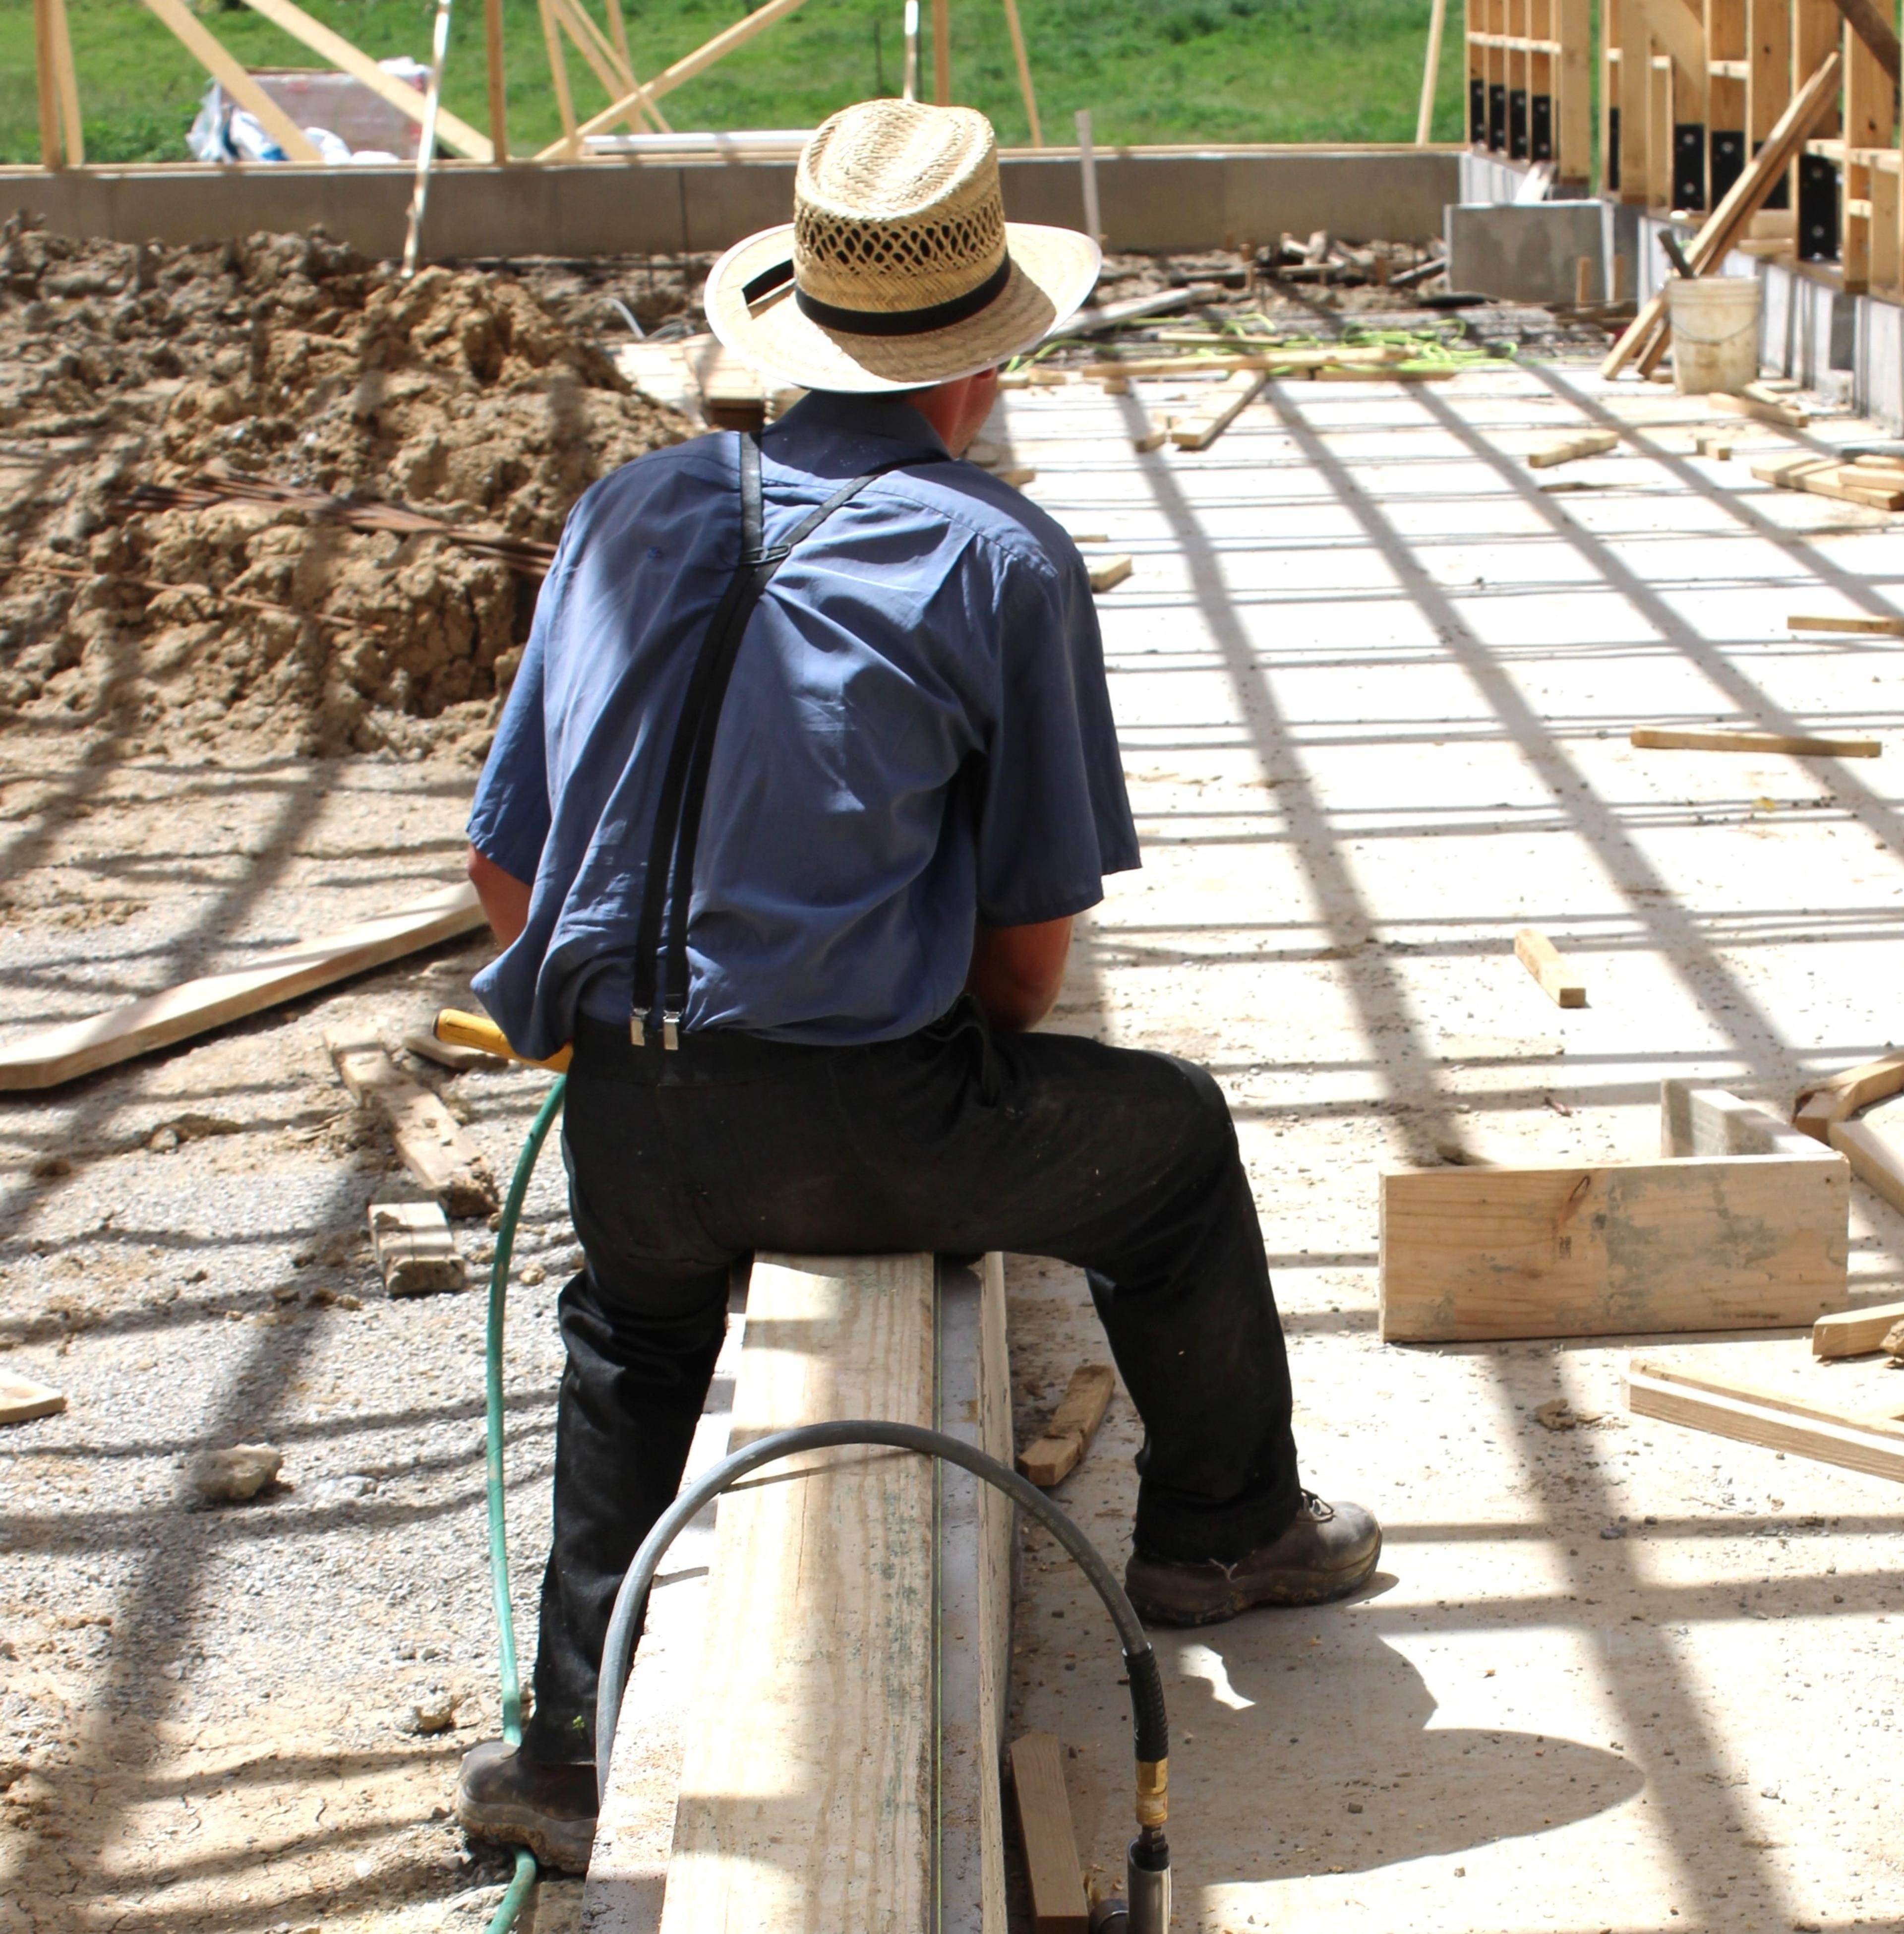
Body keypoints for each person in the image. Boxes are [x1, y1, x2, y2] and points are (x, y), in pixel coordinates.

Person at [453, 97, 1380, 1872]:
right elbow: (1029, 969)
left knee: (628, 1332)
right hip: (869, 1107)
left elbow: (505, 870)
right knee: (1170, 1143)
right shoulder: (999, 555)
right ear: (987, 361)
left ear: (787, 327)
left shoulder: (626, 509)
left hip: (633, 1112)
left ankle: (563, 1751)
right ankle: (1223, 1526)